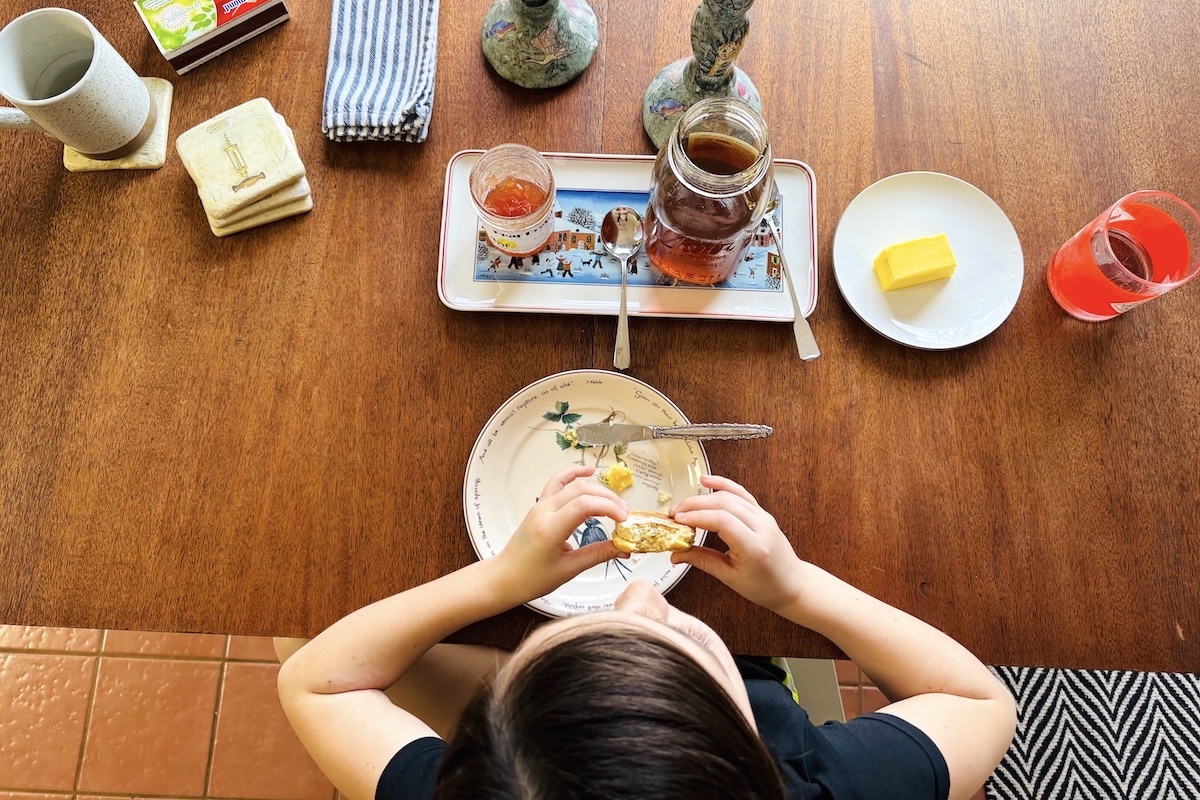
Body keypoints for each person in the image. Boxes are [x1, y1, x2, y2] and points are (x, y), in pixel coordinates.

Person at [277, 467, 1016, 800]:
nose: (638, 591)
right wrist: (794, 587)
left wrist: (500, 583)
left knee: (297, 639)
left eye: (588, 628)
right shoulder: (830, 784)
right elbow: (983, 703)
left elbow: (315, 680)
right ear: (753, 747)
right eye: (690, 648)